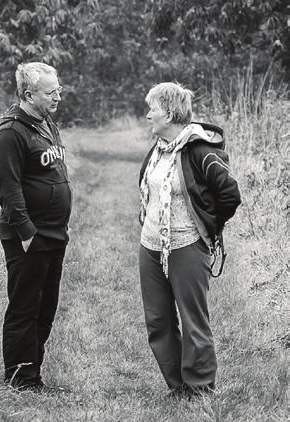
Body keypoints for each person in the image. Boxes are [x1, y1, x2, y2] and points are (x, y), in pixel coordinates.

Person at [138, 82, 241, 398]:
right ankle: (178, 385)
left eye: (152, 109)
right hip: (151, 247)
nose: (147, 116)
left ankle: (200, 387)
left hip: (186, 246)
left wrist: (208, 225)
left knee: (193, 318)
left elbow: (229, 194)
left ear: (168, 113)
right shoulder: (159, 148)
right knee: (158, 321)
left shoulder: (199, 149)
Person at [0, 62, 72, 391]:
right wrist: (26, 233)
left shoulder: (46, 122)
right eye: (51, 93)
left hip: (55, 233)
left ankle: (32, 370)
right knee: (25, 306)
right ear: (28, 94)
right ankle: (19, 377)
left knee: (46, 306)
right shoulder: (10, 132)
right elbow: (8, 190)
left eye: (59, 90)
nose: (58, 98)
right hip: (29, 236)